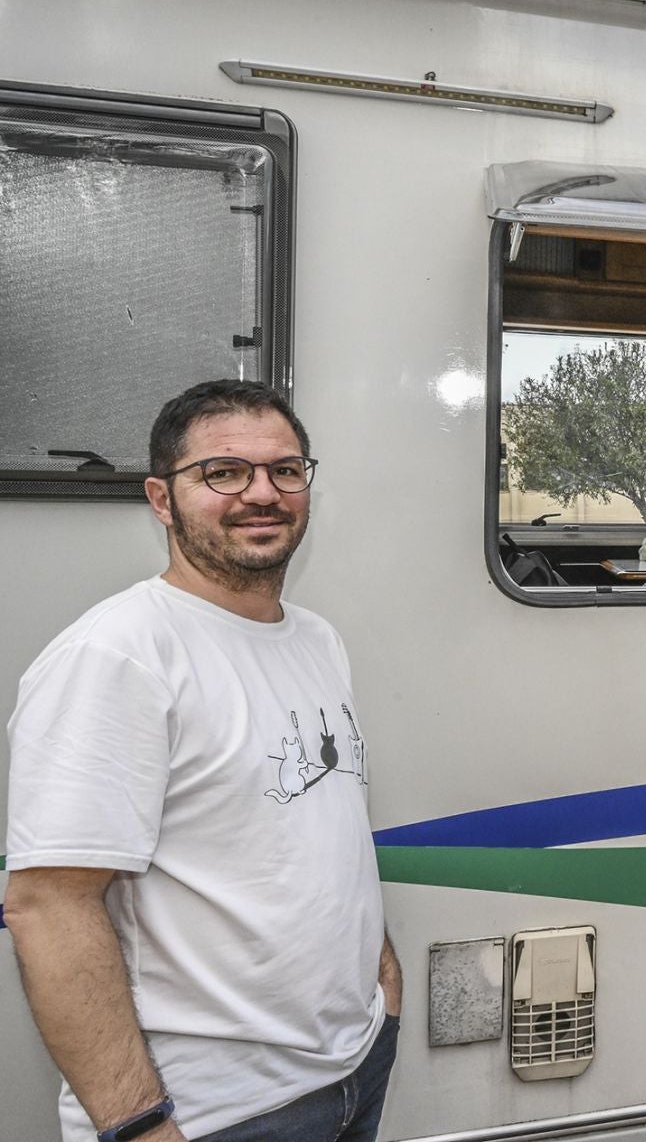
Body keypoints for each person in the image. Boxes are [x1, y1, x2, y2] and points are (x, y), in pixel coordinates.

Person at [5, 380, 400, 1142]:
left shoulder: (316, 638)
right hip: (214, 1113)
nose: (262, 493)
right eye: (223, 472)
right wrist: (139, 1124)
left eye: (286, 470)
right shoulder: (118, 655)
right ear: (162, 498)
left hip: (353, 1067)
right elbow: (49, 906)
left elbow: (321, 824)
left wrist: (381, 980)